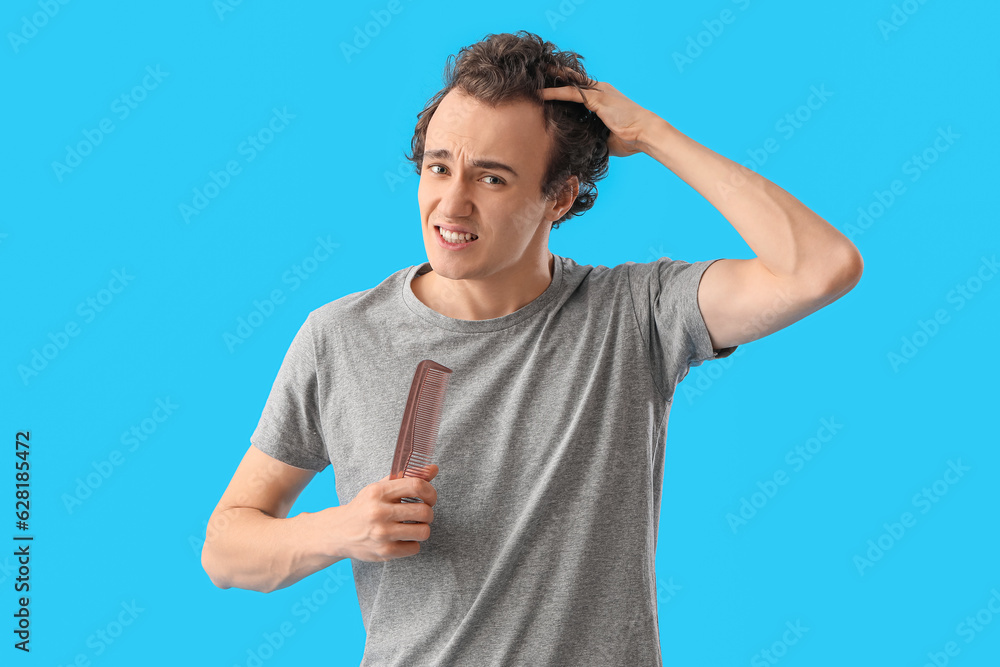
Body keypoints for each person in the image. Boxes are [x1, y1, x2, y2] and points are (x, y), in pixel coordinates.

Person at [201, 30, 863, 666]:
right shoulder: (340, 336)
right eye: (439, 167)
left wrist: (655, 136)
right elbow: (226, 549)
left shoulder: (636, 316)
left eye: (491, 179)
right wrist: (340, 530)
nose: (450, 205)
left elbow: (821, 267)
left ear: (560, 196)